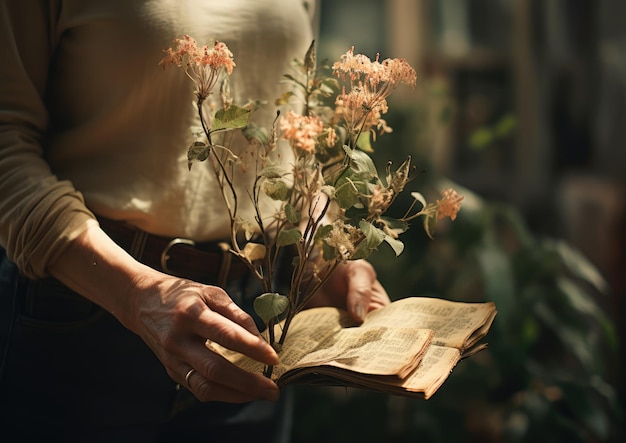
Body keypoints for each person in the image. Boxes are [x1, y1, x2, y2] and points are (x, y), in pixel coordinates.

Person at [0, 0, 390, 441]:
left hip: (251, 315)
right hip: (83, 324)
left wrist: (320, 251)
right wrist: (136, 294)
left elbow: (297, 130)